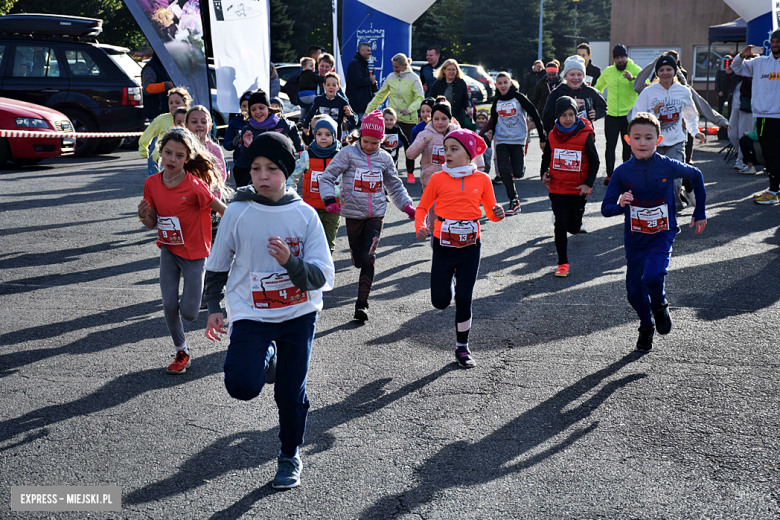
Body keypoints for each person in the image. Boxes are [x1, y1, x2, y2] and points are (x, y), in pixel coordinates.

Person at [203, 132, 335, 490]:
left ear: (288, 171)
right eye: (256, 168)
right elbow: (217, 264)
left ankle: (289, 455)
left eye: (272, 168)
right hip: (251, 313)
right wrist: (213, 306)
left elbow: (322, 276)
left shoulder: (305, 215)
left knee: (290, 393)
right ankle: (267, 354)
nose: (262, 176)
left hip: (298, 316)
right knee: (242, 386)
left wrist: (291, 262)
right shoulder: (238, 211)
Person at [601, 112, 706, 352]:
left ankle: (659, 305)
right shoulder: (622, 172)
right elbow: (605, 209)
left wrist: (699, 212)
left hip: (662, 233)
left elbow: (696, 175)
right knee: (633, 292)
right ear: (628, 140)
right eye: (636, 137)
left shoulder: (666, 165)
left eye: (648, 137)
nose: (642, 143)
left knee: (652, 276)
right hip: (635, 239)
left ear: (658, 140)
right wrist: (620, 205)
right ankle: (646, 324)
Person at [137, 128, 228, 373]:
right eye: (168, 153)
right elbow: (152, 222)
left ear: (187, 159)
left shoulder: (196, 186)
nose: (172, 159)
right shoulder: (152, 183)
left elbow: (223, 210)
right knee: (168, 304)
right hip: (168, 250)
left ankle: (215, 288)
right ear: (160, 152)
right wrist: (143, 215)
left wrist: (236, 238)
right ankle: (181, 350)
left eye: (179, 155)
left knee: (189, 313)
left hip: (195, 254)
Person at [414, 129, 505, 368]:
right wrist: (420, 227)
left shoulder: (483, 180)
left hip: (470, 247)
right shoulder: (437, 179)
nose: (448, 154)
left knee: (465, 297)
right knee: (440, 302)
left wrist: (498, 214)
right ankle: (449, 287)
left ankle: (462, 347)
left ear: (469, 154)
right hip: (443, 245)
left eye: (454, 149)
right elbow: (422, 208)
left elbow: (490, 213)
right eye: (445, 150)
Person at [318, 110, 415, 322]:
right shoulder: (348, 154)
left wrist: (407, 207)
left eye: (375, 143)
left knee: (369, 257)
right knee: (359, 259)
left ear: (381, 141)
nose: (370, 146)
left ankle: (362, 304)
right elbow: (327, 178)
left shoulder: (385, 158)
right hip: (353, 213)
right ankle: (357, 256)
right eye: (366, 141)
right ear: (360, 136)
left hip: (376, 214)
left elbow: (395, 186)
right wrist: (329, 200)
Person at [630, 54, 705, 211]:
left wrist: (695, 131)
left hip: (676, 142)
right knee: (652, 180)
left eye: (669, 69)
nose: (665, 73)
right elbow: (637, 116)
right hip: (653, 144)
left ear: (675, 71)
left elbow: (691, 115)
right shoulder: (648, 92)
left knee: (675, 181)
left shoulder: (683, 91)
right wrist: (654, 114)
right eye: (661, 70)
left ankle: (672, 212)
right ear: (657, 73)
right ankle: (656, 212)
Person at [540, 97, 599, 277]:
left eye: (571, 115)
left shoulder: (585, 134)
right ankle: (562, 263)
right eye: (564, 115)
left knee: (573, 227)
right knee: (560, 225)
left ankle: (571, 222)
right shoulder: (552, 134)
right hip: (557, 187)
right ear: (558, 117)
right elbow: (546, 157)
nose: (567, 119)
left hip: (577, 188)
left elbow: (595, 161)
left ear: (576, 115)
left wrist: (587, 184)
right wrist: (544, 173)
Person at [479, 71, 546, 216]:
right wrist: (490, 132)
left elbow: (535, 115)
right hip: (501, 140)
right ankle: (514, 201)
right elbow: (494, 119)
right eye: (500, 83)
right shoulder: (496, 101)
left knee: (517, 173)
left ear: (511, 83)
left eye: (505, 82)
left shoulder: (519, 98)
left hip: (517, 140)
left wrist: (542, 137)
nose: (503, 86)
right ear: (496, 85)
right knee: (503, 172)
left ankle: (519, 167)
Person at [731, 31, 780, 205]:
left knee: (776, 154)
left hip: (778, 117)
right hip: (762, 116)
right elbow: (736, 68)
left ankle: (774, 190)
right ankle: (774, 188)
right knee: (767, 155)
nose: (775, 44)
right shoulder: (759, 62)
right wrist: (742, 55)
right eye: (773, 41)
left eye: (778, 41)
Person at [366, 53, 424, 184]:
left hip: (409, 119)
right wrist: (368, 111)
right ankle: (392, 172)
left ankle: (410, 172)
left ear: (405, 65)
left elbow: (420, 97)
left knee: (409, 146)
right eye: (393, 66)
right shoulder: (391, 77)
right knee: (390, 145)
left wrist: (409, 109)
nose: (394, 69)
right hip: (392, 119)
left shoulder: (414, 78)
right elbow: (380, 95)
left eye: (397, 67)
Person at [290, 116, 342, 253]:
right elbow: (292, 176)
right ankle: (312, 269)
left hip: (333, 207)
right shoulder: (307, 155)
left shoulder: (340, 156)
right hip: (311, 208)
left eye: (328, 134)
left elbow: (347, 179)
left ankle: (325, 270)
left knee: (328, 242)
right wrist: (293, 197)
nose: (323, 138)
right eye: (319, 134)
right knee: (311, 243)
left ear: (334, 135)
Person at [593, 44, 642, 185]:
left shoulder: (636, 69)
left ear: (626, 56)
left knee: (628, 145)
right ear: (614, 58)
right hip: (612, 114)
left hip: (629, 115)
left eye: (622, 57)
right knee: (610, 145)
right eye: (617, 57)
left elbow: (647, 86)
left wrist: (633, 79)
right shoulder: (608, 71)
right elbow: (598, 88)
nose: (620, 60)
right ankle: (610, 175)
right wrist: (596, 102)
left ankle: (627, 174)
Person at [237, 91, 303, 187]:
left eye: (261, 108)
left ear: (268, 108)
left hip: (281, 170)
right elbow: (245, 160)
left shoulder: (281, 123)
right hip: (262, 174)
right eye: (253, 109)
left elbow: (293, 128)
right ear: (249, 112)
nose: (258, 112)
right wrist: (248, 145)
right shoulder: (248, 130)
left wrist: (300, 149)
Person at [542, 55, 607, 135]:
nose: (576, 78)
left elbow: (604, 108)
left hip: (585, 137)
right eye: (572, 75)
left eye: (579, 75)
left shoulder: (591, 92)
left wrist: (597, 113)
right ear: (565, 76)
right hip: (562, 137)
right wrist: (569, 106)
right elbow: (546, 118)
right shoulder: (557, 93)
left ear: (584, 76)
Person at [139, 86, 193, 177]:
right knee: (156, 183)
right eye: (171, 103)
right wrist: (143, 149)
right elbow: (147, 134)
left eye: (177, 102)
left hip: (184, 159)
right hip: (160, 159)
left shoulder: (192, 118)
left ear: (186, 105)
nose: (174, 105)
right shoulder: (161, 119)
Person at [303, 71, 358, 141]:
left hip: (335, 137)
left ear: (338, 87)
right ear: (324, 86)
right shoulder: (318, 100)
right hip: (320, 136)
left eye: (334, 85)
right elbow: (310, 114)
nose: (331, 87)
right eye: (328, 85)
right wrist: (306, 126)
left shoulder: (342, 102)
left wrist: (350, 114)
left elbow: (354, 121)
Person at [224, 90, 254, 189]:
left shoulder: (261, 122)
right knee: (242, 194)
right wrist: (233, 143)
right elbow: (226, 144)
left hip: (257, 165)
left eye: (250, 106)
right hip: (240, 165)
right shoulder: (234, 123)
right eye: (243, 106)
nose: (246, 109)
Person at [429, 59, 473, 124]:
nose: (451, 72)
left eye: (453, 70)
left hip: (457, 118)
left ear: (456, 71)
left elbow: (465, 99)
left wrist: (468, 107)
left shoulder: (461, 83)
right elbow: (432, 98)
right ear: (444, 70)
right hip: (441, 119)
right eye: (449, 69)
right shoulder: (438, 83)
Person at [727, 70, 754, 172]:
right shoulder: (736, 76)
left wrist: (746, 76)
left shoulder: (753, 74)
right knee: (731, 133)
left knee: (743, 135)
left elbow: (752, 88)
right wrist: (727, 73)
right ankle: (743, 157)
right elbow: (726, 85)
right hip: (734, 107)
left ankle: (741, 160)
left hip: (746, 107)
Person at [346, 43, 379, 119]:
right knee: (358, 128)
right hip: (358, 106)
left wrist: (373, 83)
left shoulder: (362, 64)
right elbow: (358, 81)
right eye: (368, 51)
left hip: (364, 105)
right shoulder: (355, 64)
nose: (370, 53)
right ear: (361, 51)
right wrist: (370, 80)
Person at [141, 51, 174, 121]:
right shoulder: (150, 67)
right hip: (156, 114)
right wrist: (169, 85)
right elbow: (148, 88)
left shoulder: (167, 65)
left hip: (167, 112)